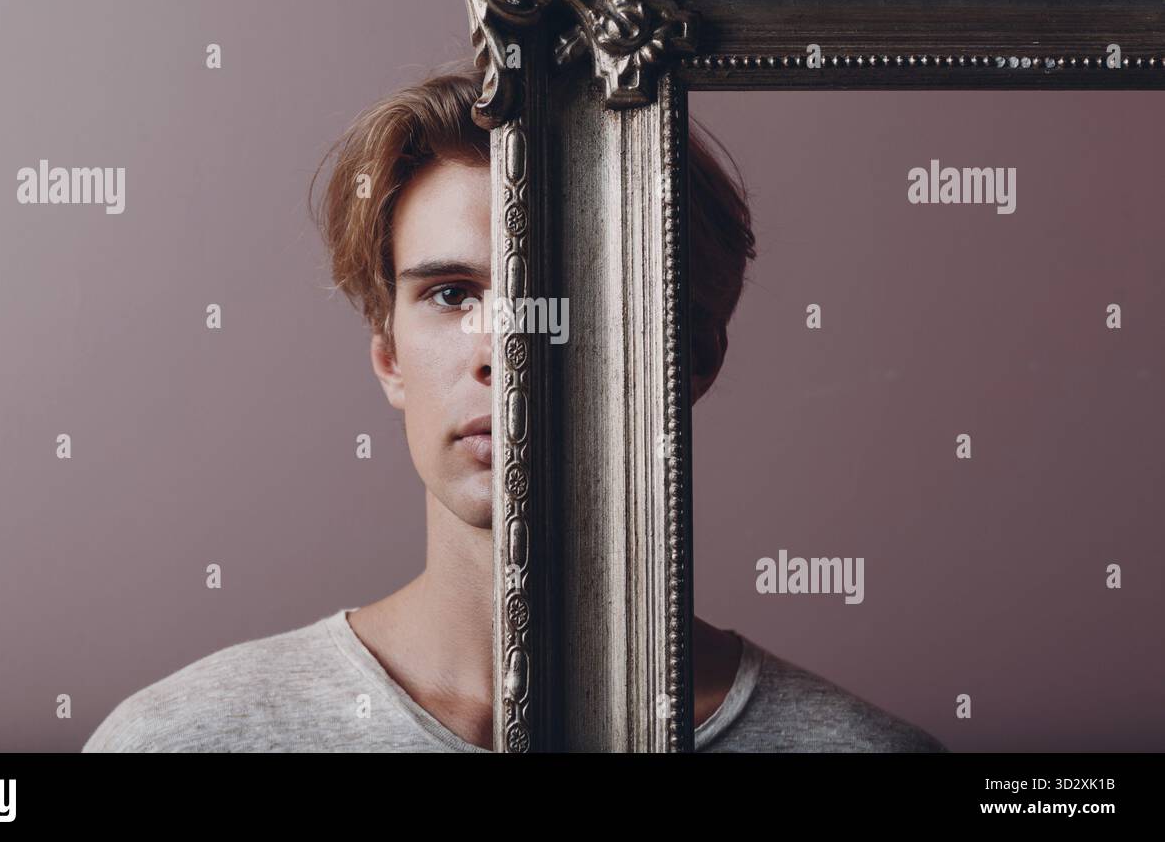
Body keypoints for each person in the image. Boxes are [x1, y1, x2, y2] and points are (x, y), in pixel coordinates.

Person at [82, 60, 947, 753]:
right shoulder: (183, 740)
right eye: (453, 294)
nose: (507, 349)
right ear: (388, 356)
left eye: (567, 292)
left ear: (690, 361)